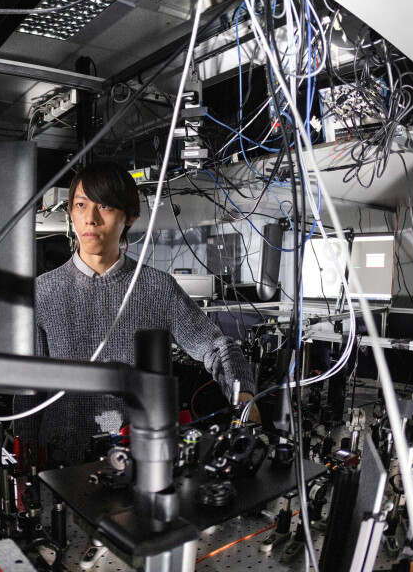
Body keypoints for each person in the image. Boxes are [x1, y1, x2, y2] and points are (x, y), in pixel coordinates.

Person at [16, 161, 257, 465]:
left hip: (139, 460)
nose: (90, 219)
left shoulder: (158, 288)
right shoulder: (42, 293)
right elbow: (28, 388)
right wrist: (24, 455)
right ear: (71, 212)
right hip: (60, 461)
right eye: (80, 205)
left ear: (130, 216)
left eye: (104, 206)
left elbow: (216, 347)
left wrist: (244, 397)